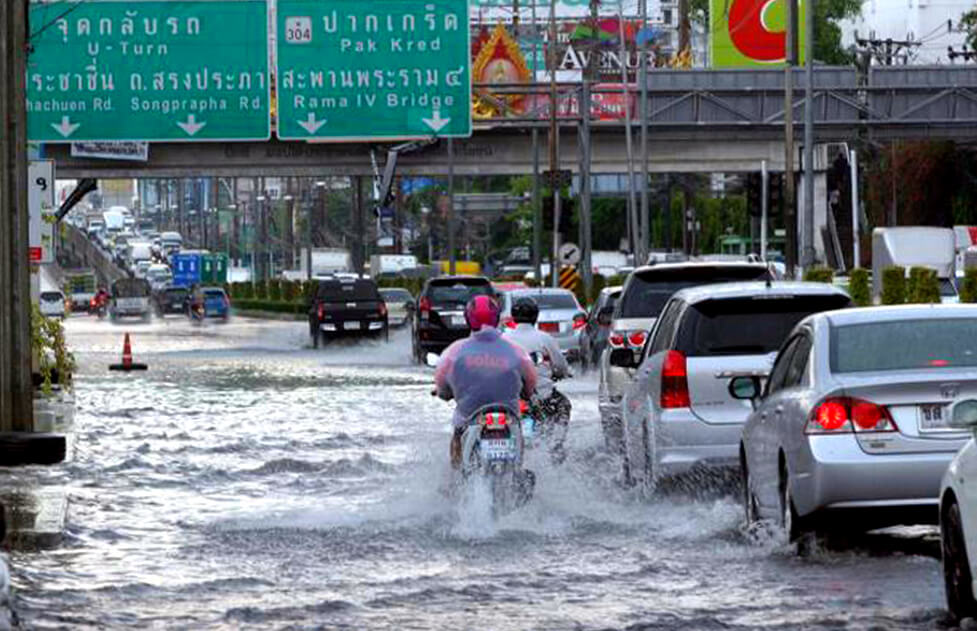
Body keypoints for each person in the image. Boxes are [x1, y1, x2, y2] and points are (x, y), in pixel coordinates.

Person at [435, 295, 537, 469]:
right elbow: (531, 381)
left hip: (468, 415)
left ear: (468, 319)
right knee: (519, 434)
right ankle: (518, 470)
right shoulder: (516, 349)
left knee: (457, 438)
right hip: (509, 414)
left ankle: (455, 480)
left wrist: (444, 393)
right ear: (497, 318)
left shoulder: (455, 351)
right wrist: (527, 393)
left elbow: (442, 386)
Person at [502, 297, 573, 460]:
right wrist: (561, 373)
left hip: (509, 398)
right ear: (535, 316)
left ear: (513, 316)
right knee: (564, 406)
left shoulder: (504, 339)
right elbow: (560, 367)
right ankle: (557, 446)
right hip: (542, 396)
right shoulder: (545, 338)